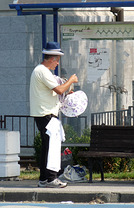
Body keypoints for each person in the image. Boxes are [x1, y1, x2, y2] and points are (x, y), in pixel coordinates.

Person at [29, 42, 78, 188]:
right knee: (52, 147)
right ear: (51, 59)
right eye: (57, 60)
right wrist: (71, 80)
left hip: (43, 114)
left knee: (46, 147)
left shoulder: (40, 71)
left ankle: (44, 178)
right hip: (46, 114)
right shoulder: (42, 71)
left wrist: (65, 88)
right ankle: (51, 178)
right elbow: (59, 90)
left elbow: (54, 91)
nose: (57, 64)